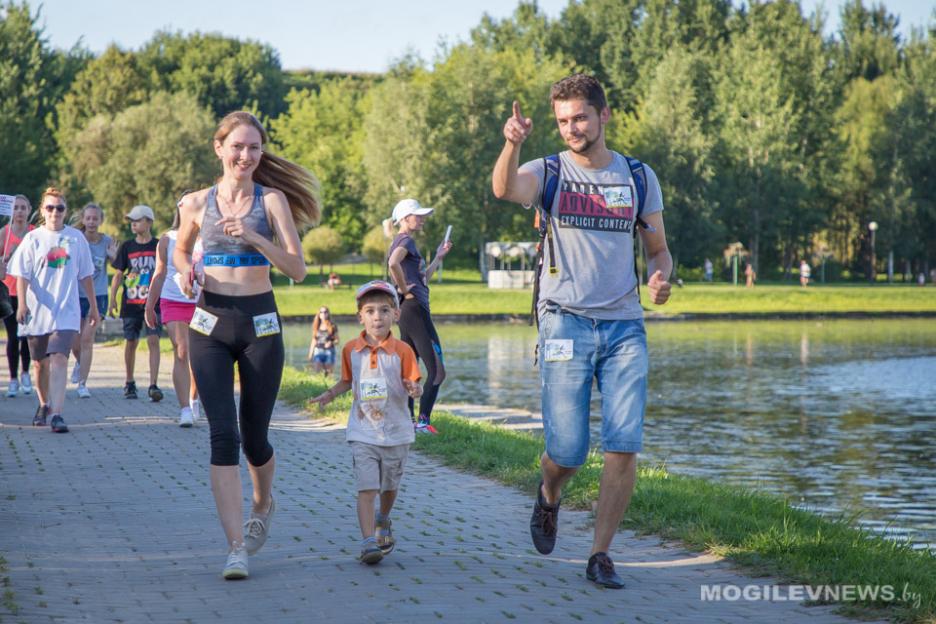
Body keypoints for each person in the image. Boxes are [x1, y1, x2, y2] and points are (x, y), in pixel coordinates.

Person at [492, 74, 672, 589]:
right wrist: (512, 142)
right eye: (563, 120)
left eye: (580, 118)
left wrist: (662, 276)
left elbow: (658, 248)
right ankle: (549, 496)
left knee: (623, 443)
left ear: (604, 115)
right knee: (567, 449)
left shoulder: (638, 177)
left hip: (625, 327)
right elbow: (504, 189)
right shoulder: (547, 171)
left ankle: (600, 554)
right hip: (564, 321)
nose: (571, 128)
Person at [173, 111, 319, 580]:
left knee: (254, 437)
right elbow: (178, 247)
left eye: (254, 148)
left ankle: (262, 501)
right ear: (219, 148)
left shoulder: (270, 200)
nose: (245, 155)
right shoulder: (196, 202)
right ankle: (236, 547)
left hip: (260, 324)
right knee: (223, 435)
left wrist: (255, 235)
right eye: (237, 146)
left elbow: (297, 269)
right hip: (210, 323)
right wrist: (183, 269)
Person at [309, 280, 422, 565]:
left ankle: (383, 518)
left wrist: (415, 389)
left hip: (397, 432)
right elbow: (348, 381)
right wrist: (329, 394)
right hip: (362, 431)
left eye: (384, 310)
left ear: (396, 315)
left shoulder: (403, 351)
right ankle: (368, 541)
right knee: (367, 487)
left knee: (390, 486)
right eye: (370, 311)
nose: (377, 317)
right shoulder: (350, 350)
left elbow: (413, 382)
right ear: (360, 316)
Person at [7, 187, 98, 433]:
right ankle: (44, 404)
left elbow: (86, 275)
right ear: (42, 211)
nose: (55, 212)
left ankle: (57, 414)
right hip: (37, 312)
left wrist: (94, 307)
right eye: (50, 208)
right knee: (40, 363)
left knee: (59, 359)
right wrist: (23, 304)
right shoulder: (33, 238)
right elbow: (22, 275)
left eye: (60, 208)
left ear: (66, 211)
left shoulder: (76, 239)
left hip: (65, 311)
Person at [386, 198, 452, 434]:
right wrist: (404, 291)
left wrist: (438, 257)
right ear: (405, 219)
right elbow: (394, 264)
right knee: (437, 371)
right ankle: (422, 422)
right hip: (415, 311)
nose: (422, 219)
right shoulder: (406, 240)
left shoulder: (400, 241)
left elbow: (421, 279)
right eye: (418, 215)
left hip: (408, 311)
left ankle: (406, 421)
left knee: (410, 369)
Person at [144, 196, 202, 427]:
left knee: (199, 355)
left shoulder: (207, 237)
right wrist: (150, 304)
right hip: (173, 300)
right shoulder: (168, 239)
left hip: (202, 302)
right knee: (182, 349)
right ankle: (185, 409)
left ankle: (194, 398)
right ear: (180, 209)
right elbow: (159, 273)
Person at [109, 205, 163, 401]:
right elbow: (117, 274)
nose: (134, 223)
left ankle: (153, 384)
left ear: (149, 222)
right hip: (131, 302)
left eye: (138, 220)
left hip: (154, 302)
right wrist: (112, 298)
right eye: (132, 220)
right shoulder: (127, 247)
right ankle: (129, 382)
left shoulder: (158, 246)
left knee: (153, 340)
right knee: (131, 341)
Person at [70, 203, 117, 398]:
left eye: (95, 219)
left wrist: (114, 256)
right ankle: (81, 363)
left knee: (87, 339)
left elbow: (116, 265)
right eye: (88, 218)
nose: (91, 222)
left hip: (98, 296)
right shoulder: (75, 239)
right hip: (75, 295)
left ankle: (82, 384)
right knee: (75, 342)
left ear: (101, 221)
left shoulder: (106, 241)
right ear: (83, 219)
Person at [1, 195, 35, 397]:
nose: (20, 211)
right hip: (8, 292)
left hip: (30, 293)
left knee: (28, 336)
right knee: (13, 337)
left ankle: (25, 373)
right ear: (11, 211)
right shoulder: (4, 234)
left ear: (29, 210)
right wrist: (4, 257)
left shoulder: (34, 233)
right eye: (16, 208)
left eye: (23, 207)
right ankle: (13, 378)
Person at [307, 306, 338, 375]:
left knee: (329, 374)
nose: (323, 314)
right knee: (318, 373)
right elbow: (314, 340)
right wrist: (310, 354)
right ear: (319, 314)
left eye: (325, 312)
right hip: (318, 350)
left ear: (328, 314)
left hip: (329, 351)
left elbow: (337, 340)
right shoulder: (316, 325)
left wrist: (331, 342)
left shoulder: (332, 326)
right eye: (321, 312)